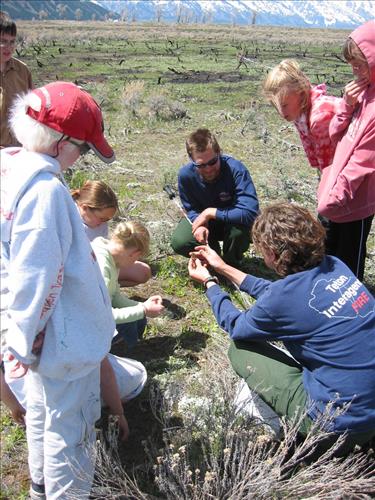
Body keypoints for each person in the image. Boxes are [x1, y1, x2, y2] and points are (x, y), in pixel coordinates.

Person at [0, 81, 118, 499]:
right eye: (83, 148)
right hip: (61, 342)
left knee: (43, 415)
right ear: (60, 142)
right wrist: (29, 342)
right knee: (71, 431)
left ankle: (40, 488)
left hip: (36, 338)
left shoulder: (9, 164)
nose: (81, 157)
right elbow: (39, 275)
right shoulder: (46, 192)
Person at [188, 202, 375, 456]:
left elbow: (236, 325)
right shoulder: (336, 266)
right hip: (369, 411)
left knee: (241, 349)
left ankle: (300, 436)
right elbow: (280, 294)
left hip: (336, 425)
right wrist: (222, 267)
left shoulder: (283, 299)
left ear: (273, 255)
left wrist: (210, 282)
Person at [318, 20, 375, 281]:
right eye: (351, 63)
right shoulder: (361, 93)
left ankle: (352, 311)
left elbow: (364, 161)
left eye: (360, 63)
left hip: (356, 199)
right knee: (326, 253)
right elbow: (335, 135)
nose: (354, 70)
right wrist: (346, 106)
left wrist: (335, 197)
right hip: (335, 191)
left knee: (349, 259)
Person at [171, 128, 259, 265]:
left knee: (239, 232)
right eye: (200, 165)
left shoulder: (236, 170)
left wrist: (210, 212)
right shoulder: (185, 175)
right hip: (208, 225)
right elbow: (191, 208)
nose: (208, 169)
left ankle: (232, 264)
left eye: (212, 162)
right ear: (191, 160)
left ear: (219, 152)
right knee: (180, 240)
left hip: (233, 222)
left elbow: (250, 212)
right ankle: (211, 257)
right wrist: (199, 224)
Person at [91, 221, 164, 349]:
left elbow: (114, 296)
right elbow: (102, 315)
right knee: (129, 325)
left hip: (95, 311)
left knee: (139, 318)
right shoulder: (103, 268)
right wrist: (144, 310)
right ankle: (122, 352)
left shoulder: (112, 255)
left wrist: (143, 306)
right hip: (83, 321)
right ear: (134, 254)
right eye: (137, 258)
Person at [263, 59, 341, 172]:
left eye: (284, 105)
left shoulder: (320, 117)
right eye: (276, 107)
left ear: (300, 91)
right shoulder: (300, 113)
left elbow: (330, 169)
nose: (281, 112)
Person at [72, 180, 152, 287]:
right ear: (85, 208)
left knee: (143, 272)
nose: (103, 223)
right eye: (102, 218)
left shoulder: (100, 223)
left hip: (99, 264)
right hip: (79, 270)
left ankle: (111, 289)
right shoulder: (69, 222)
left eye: (107, 219)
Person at [0, 11, 32, 148]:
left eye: (12, 41)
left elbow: (33, 111)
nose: (9, 47)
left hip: (18, 149)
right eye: (2, 42)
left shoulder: (23, 71)